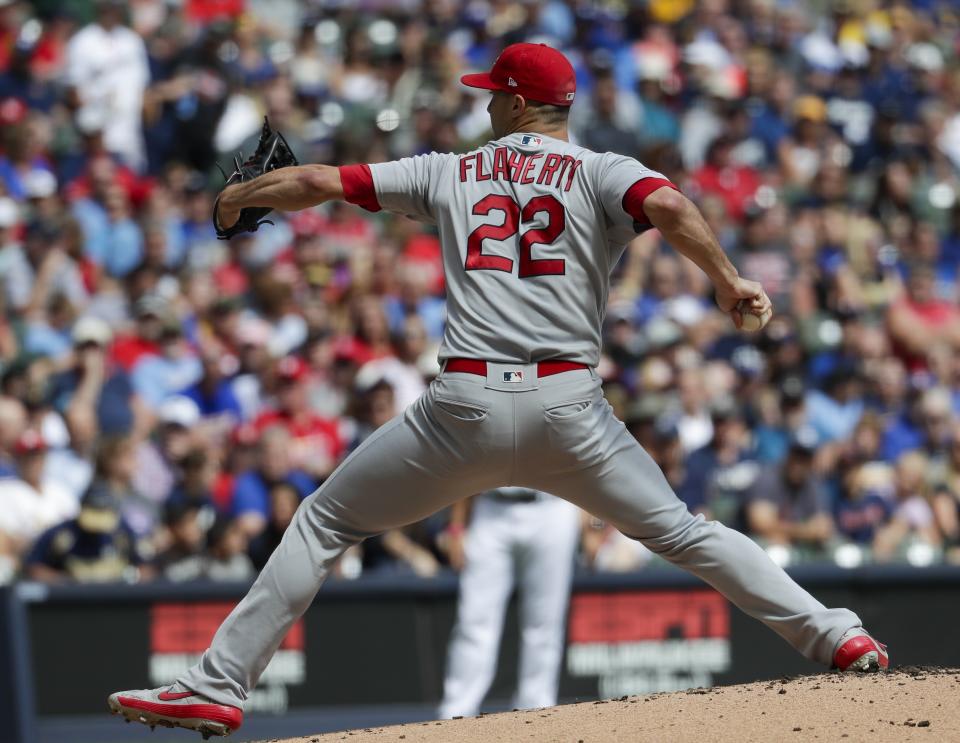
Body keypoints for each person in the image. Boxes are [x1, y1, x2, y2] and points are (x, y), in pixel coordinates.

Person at [109, 43, 888, 738]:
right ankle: (834, 635)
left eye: (492, 92)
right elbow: (673, 205)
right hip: (570, 411)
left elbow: (317, 180)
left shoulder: (449, 168)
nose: (483, 102)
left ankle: (215, 686)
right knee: (685, 533)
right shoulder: (601, 168)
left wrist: (237, 198)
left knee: (322, 523)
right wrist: (728, 280)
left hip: (463, 412)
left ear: (516, 101)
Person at [438, 488, 580, 719]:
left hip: (552, 505)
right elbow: (467, 459)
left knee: (545, 624)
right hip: (491, 506)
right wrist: (456, 524)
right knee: (474, 619)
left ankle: (537, 714)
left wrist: (594, 519)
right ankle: (455, 714)